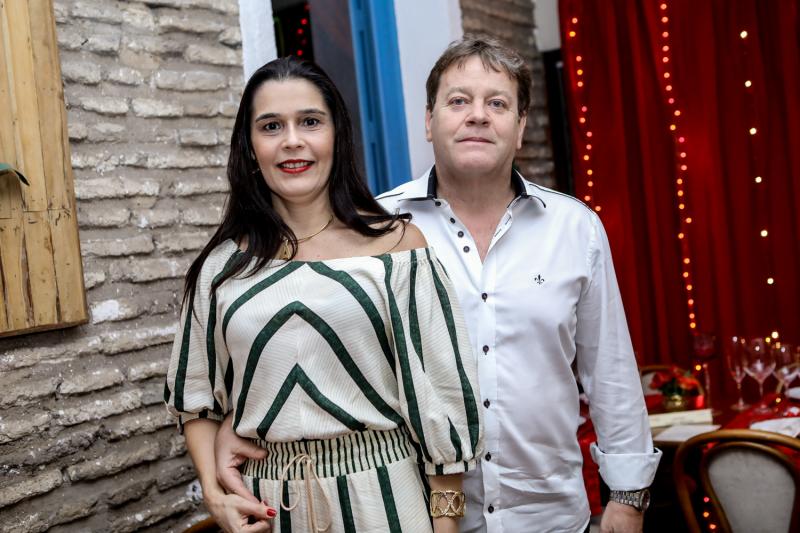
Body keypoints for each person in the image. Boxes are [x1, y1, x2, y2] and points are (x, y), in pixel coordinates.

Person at [215, 38, 661, 533]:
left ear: (520, 127)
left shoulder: (574, 228)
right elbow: (313, 343)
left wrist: (628, 495)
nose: (478, 116)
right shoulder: (375, 230)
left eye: (497, 103)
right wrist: (236, 422)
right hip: (416, 515)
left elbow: (610, 373)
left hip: (550, 516)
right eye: (458, 100)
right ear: (429, 121)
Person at [165, 56, 483, 533]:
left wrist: (446, 527)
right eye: (271, 126)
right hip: (268, 505)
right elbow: (196, 397)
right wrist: (214, 495)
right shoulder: (222, 267)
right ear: (250, 148)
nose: (292, 140)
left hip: (387, 498)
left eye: (310, 121)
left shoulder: (399, 249)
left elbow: (440, 396)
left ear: (337, 136)